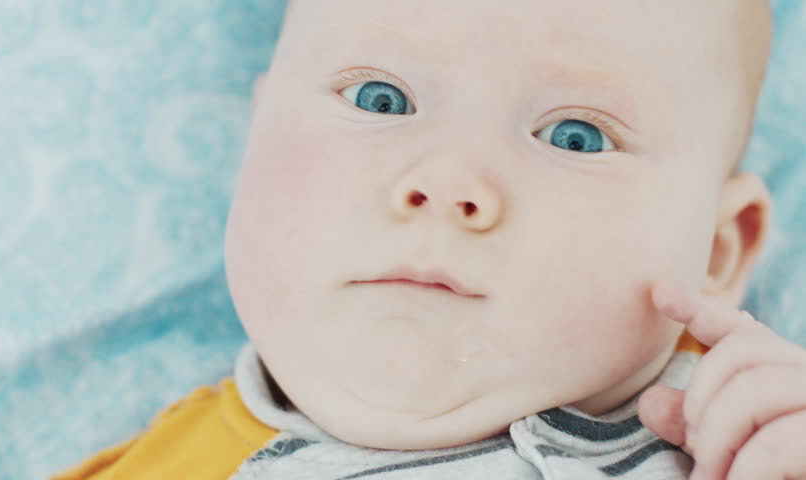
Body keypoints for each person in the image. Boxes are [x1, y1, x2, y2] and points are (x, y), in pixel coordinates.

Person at [54, 1, 806, 479]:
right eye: (380, 99)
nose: (449, 182)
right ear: (252, 142)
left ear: (715, 253)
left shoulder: (751, 441)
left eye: (575, 137)